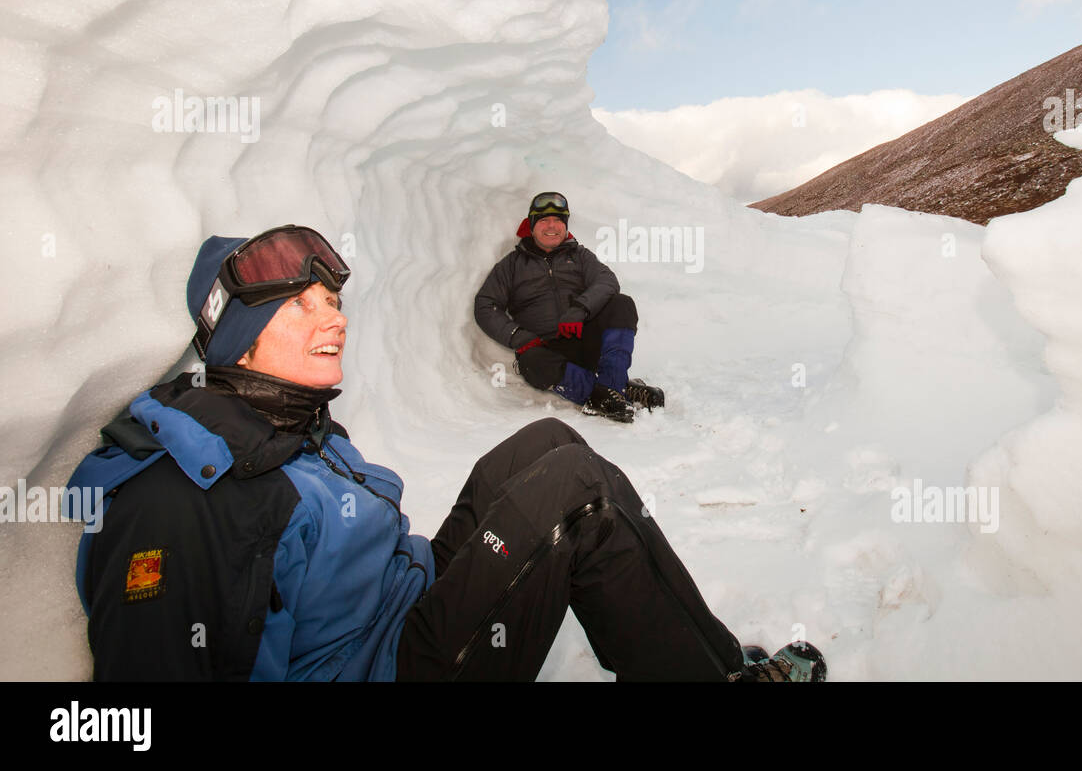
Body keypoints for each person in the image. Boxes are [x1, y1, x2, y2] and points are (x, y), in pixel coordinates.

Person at [67, 225, 823, 681]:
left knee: (548, 441)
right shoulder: (181, 501)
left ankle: (704, 655)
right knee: (575, 489)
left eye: (331, 300)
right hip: (396, 664)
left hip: (412, 599)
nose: (332, 318)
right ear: (235, 333)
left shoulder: (285, 421)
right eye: (298, 304)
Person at [474, 191, 664, 423]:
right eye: (544, 220)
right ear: (531, 226)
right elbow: (485, 305)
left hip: (586, 341)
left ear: (565, 226)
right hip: (548, 351)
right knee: (530, 362)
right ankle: (611, 393)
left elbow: (607, 282)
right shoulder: (511, 266)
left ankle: (611, 386)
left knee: (621, 304)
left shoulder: (580, 256)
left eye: (558, 220)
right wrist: (518, 337)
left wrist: (579, 310)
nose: (552, 226)